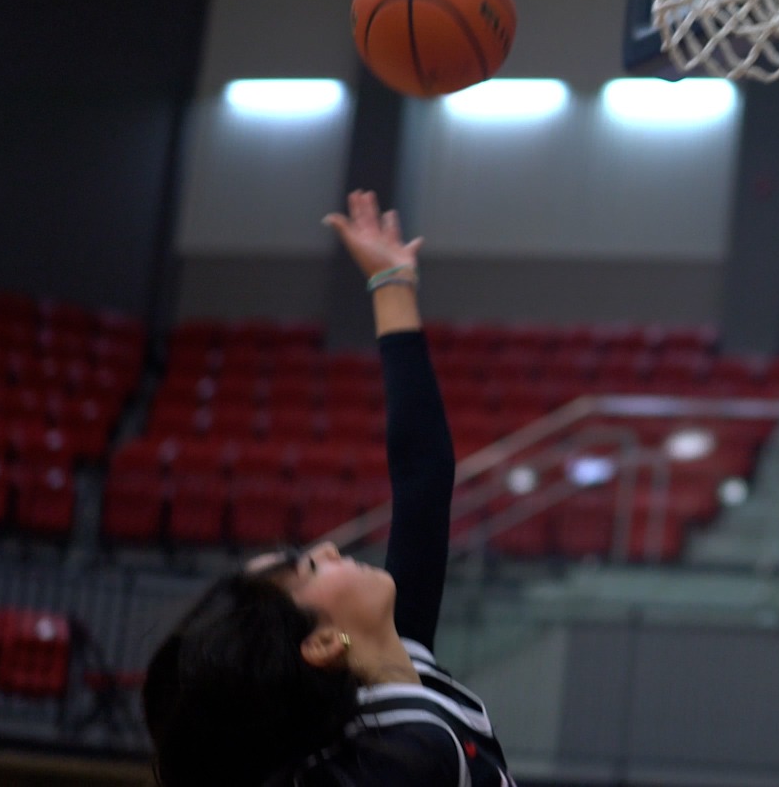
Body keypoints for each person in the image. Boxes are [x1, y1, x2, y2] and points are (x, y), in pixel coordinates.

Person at [144, 191, 511, 786]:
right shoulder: (401, 755)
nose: (329, 548)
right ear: (321, 646)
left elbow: (424, 474)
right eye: (309, 568)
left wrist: (391, 282)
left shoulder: (400, 670)